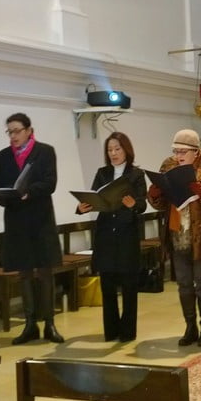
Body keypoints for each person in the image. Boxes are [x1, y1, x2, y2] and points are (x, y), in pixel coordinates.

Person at [147, 129, 201, 348]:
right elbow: (161, 204)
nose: (178, 156)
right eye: (175, 151)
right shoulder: (168, 167)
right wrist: (154, 194)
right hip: (177, 234)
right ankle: (190, 327)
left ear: (196, 152)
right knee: (184, 284)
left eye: (183, 152)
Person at [0, 112, 64, 345]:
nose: (13, 136)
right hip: (17, 222)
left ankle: (49, 323)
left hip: (41, 220)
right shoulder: (3, 156)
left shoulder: (45, 152)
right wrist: (7, 196)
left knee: (45, 271)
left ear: (29, 131)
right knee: (24, 273)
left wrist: (28, 192)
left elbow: (50, 183)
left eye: (17, 131)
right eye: (9, 132)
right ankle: (30, 324)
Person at [77, 132, 148, 342]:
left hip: (127, 234)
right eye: (109, 150)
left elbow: (142, 204)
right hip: (106, 234)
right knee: (107, 286)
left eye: (117, 149)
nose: (113, 153)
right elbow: (93, 197)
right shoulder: (103, 173)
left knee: (128, 287)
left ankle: (127, 332)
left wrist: (133, 204)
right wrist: (81, 207)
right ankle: (111, 331)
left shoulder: (136, 174)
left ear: (126, 150)